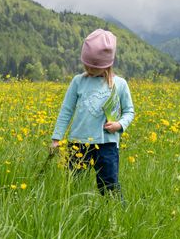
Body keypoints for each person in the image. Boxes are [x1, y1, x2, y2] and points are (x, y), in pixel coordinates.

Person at [50, 28, 135, 197]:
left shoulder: (120, 84)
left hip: (107, 145)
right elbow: (66, 110)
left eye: (94, 66)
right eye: (86, 63)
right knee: (72, 184)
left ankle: (115, 215)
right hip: (78, 143)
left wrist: (119, 125)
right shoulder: (78, 81)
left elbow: (129, 111)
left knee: (109, 185)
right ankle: (73, 212)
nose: (89, 68)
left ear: (107, 64)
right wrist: (56, 137)